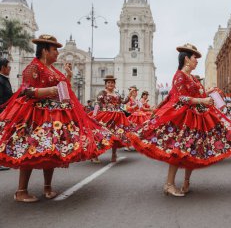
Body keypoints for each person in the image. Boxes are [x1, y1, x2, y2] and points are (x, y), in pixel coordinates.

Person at [0, 34, 113, 202]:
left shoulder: (54, 69)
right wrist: (44, 92)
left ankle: (48, 187)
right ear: (45, 51)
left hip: (54, 115)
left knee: (52, 150)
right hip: (34, 115)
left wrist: (68, 76)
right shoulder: (33, 67)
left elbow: (63, 90)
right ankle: (21, 191)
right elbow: (26, 90)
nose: (57, 54)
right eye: (54, 50)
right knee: (28, 149)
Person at [128, 43, 231, 196]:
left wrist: (211, 94)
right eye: (195, 58)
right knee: (179, 151)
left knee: (192, 150)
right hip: (183, 119)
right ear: (186, 59)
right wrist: (203, 101)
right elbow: (181, 98)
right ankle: (169, 184)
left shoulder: (192, 77)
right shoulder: (179, 75)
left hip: (197, 117)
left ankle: (186, 182)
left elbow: (199, 94)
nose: (197, 61)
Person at [89, 75, 133, 162]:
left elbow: (123, 102)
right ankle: (95, 155)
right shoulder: (102, 93)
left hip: (117, 117)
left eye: (112, 82)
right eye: (108, 82)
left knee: (116, 136)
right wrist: (94, 115)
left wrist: (129, 95)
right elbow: (97, 104)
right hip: (105, 117)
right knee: (100, 135)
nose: (110, 84)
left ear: (114, 84)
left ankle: (114, 154)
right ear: (105, 84)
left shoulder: (117, 94)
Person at [0, 58, 12, 171]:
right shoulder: (1, 80)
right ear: (3, 68)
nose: (10, 69)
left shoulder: (4, 79)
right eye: (9, 67)